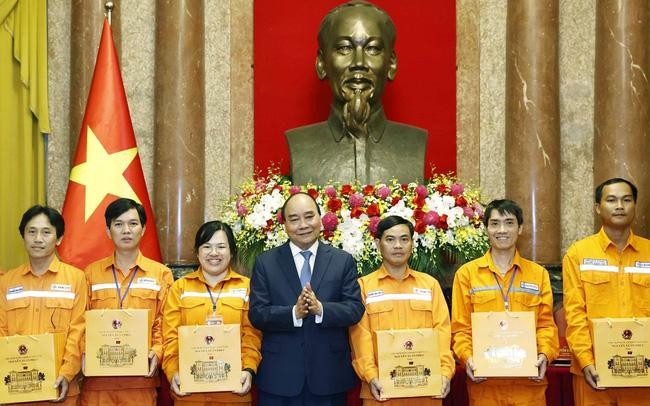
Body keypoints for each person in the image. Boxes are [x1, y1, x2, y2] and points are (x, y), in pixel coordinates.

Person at [285, 0, 427, 185]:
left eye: (372, 48)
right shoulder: (300, 144)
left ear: (391, 64)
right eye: (344, 48)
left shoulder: (415, 143)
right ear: (321, 63)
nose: (358, 62)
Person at [249, 192, 365, 405]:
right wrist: (294, 313)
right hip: (279, 378)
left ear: (320, 219)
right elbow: (257, 313)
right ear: (284, 225)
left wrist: (321, 309)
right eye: (294, 219)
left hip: (329, 376)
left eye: (309, 216)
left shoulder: (342, 261)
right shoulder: (266, 263)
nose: (303, 224)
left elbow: (355, 308)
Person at [451, 199, 558, 406]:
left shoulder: (538, 275)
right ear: (486, 229)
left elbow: (546, 326)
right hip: (485, 385)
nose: (502, 230)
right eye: (495, 223)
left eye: (509, 223)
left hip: (528, 384)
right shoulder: (467, 275)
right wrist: (468, 358)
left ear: (520, 228)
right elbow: (460, 329)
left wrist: (544, 354)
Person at [349, 215, 454, 405]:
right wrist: (371, 376)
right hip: (380, 391)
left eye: (404, 239)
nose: (398, 245)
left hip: (426, 390)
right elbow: (360, 337)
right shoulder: (364, 287)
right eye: (390, 239)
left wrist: (445, 372)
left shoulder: (430, 285)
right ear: (377, 243)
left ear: (412, 244)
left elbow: (443, 331)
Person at [563, 178, 650, 405]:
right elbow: (575, 314)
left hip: (643, 373)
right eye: (611, 200)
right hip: (593, 372)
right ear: (598, 208)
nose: (619, 205)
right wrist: (585, 360)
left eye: (626, 200)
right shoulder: (578, 254)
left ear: (635, 206)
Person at [81, 198, 174, 405]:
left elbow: (165, 323)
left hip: (140, 381)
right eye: (118, 224)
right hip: (98, 382)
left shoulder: (161, 274)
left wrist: (156, 353)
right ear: (108, 231)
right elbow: (80, 323)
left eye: (133, 224)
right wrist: (84, 352)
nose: (126, 230)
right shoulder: (90, 274)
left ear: (143, 229)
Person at [162, 220, 261, 404]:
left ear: (231, 252)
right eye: (207, 246)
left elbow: (252, 336)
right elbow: (170, 337)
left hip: (233, 392)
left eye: (221, 247)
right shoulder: (180, 288)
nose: (214, 253)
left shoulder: (247, 287)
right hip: (190, 393)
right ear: (197, 252)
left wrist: (248, 369)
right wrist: (173, 371)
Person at [0, 205, 86, 405]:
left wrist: (66, 373)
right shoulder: (7, 281)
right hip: (17, 389)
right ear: (23, 236)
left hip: (61, 389)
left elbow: (79, 332)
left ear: (59, 239)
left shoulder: (76, 278)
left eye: (46, 232)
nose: (38, 239)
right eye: (32, 232)